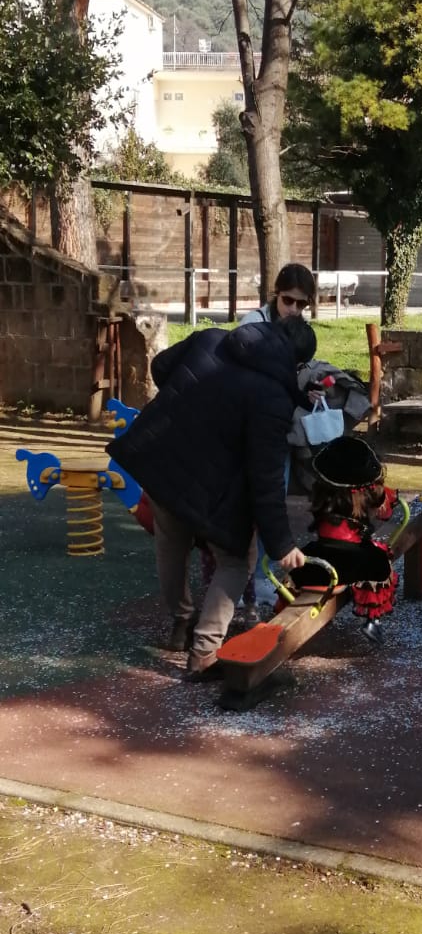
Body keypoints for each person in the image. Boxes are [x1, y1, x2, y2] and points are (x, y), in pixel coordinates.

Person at [108, 316, 315, 680]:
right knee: (236, 561)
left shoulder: (211, 338)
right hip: (211, 483)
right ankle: (204, 651)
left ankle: (181, 622)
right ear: (296, 362)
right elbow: (266, 478)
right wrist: (282, 544)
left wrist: (189, 405)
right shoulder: (273, 397)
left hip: (161, 457)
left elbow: (161, 366)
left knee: (170, 542)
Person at [292, 435, 400, 641]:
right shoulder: (369, 493)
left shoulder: (323, 493)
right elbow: (384, 512)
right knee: (380, 562)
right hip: (351, 561)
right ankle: (372, 620)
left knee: (300, 565)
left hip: (319, 556)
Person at [240, 262, 316, 325]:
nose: (293, 309)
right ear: (277, 291)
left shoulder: (305, 327)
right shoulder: (253, 323)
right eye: (288, 300)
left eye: (301, 303)